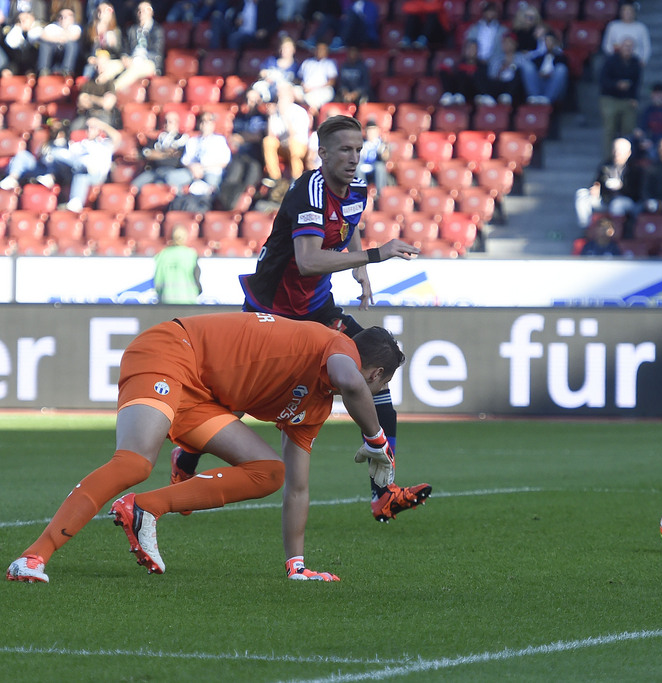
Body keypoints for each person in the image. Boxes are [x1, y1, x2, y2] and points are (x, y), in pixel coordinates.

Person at [5, 312, 418, 584]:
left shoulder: (315, 405)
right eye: (379, 386)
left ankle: (146, 507)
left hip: (201, 395)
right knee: (133, 461)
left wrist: (297, 566)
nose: (374, 393)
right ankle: (32, 557)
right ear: (377, 373)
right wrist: (376, 440)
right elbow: (351, 381)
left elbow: (296, 488)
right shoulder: (339, 346)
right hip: (170, 350)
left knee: (270, 471)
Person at [173, 115, 426, 526]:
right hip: (272, 307)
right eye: (344, 149)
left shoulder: (356, 188)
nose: (353, 157)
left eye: (358, 149)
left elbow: (350, 224)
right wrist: (376, 255)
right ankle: (185, 458)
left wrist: (359, 270)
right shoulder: (308, 191)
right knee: (233, 401)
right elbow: (308, 262)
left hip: (317, 308)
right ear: (322, 153)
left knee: (377, 374)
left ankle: (384, 493)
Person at [574, 136, 643, 231]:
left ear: (628, 153)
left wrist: (621, 188)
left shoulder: (635, 169)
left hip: (627, 201)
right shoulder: (605, 165)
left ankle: (616, 232)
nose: (616, 154)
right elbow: (597, 182)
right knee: (581, 193)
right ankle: (586, 226)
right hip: (606, 199)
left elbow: (637, 193)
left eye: (620, 151)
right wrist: (595, 188)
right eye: (615, 150)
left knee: (617, 204)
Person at [262, 83, 311, 191]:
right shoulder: (277, 113)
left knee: (293, 145)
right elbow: (271, 134)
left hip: (298, 145)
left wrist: (285, 116)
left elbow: (293, 135)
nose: (280, 100)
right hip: (284, 146)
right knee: (268, 141)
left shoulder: (299, 112)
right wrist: (271, 116)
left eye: (282, 97)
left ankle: (296, 178)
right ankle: (274, 177)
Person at [598, 37, 642, 156]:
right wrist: (617, 85)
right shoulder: (610, 61)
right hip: (610, 98)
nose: (627, 49)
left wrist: (635, 98)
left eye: (630, 47)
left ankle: (627, 157)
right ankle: (608, 158)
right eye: (625, 46)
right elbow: (603, 81)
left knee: (628, 129)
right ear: (620, 47)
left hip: (627, 99)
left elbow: (637, 83)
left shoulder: (635, 62)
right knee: (610, 129)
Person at [113, 1, 164, 93]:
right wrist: (124, 57)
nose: (141, 13)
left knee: (133, 70)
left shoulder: (157, 30)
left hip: (149, 62)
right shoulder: (131, 30)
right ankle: (97, 87)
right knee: (111, 66)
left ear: (151, 12)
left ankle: (112, 89)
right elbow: (125, 48)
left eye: (145, 10)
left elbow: (157, 53)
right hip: (131, 59)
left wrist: (137, 60)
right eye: (139, 11)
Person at [153, 224, 202, 304]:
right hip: (188, 301)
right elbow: (196, 278)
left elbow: (158, 281)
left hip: (166, 302)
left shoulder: (162, 255)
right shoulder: (191, 254)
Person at [522, 30, 569, 105]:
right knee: (527, 66)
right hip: (539, 83)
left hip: (552, 84)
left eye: (550, 41)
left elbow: (561, 76)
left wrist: (549, 74)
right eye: (546, 41)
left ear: (555, 43)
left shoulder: (561, 58)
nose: (548, 43)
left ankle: (548, 98)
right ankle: (534, 97)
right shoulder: (539, 58)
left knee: (561, 69)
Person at [438, 38, 487, 106]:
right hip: (456, 91)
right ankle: (448, 94)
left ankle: (461, 96)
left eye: (473, 48)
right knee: (444, 72)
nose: (471, 51)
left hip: (473, 93)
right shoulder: (459, 64)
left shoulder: (482, 66)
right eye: (469, 48)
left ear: (477, 51)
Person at [601, 0, 651, 65]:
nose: (627, 13)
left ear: (634, 12)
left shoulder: (641, 27)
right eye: (625, 11)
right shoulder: (613, 26)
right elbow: (606, 45)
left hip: (635, 62)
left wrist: (644, 60)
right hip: (616, 62)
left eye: (630, 11)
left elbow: (646, 47)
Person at [36, 6, 81, 76]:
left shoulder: (75, 27)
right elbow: (42, 36)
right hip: (54, 51)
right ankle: (43, 70)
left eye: (66, 17)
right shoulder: (53, 26)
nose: (62, 19)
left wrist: (59, 36)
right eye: (60, 16)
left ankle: (67, 70)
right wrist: (58, 39)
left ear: (72, 19)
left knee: (72, 45)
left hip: (65, 52)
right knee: (45, 45)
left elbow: (75, 37)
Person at [297, 41, 338, 116]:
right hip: (305, 90)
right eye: (318, 49)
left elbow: (332, 81)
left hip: (322, 90)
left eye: (323, 49)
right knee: (292, 91)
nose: (320, 51)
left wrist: (313, 88)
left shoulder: (329, 63)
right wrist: (303, 85)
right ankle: (313, 109)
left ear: (326, 52)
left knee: (322, 95)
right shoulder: (307, 62)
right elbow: (299, 78)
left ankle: (313, 110)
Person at [2, 11, 43, 76]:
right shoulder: (15, 30)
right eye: (20, 19)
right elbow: (11, 43)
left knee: (31, 74)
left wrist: (28, 30)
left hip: (32, 63)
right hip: (16, 63)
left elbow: (35, 39)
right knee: (6, 73)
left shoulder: (38, 30)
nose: (23, 21)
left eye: (26, 18)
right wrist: (18, 27)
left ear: (32, 19)